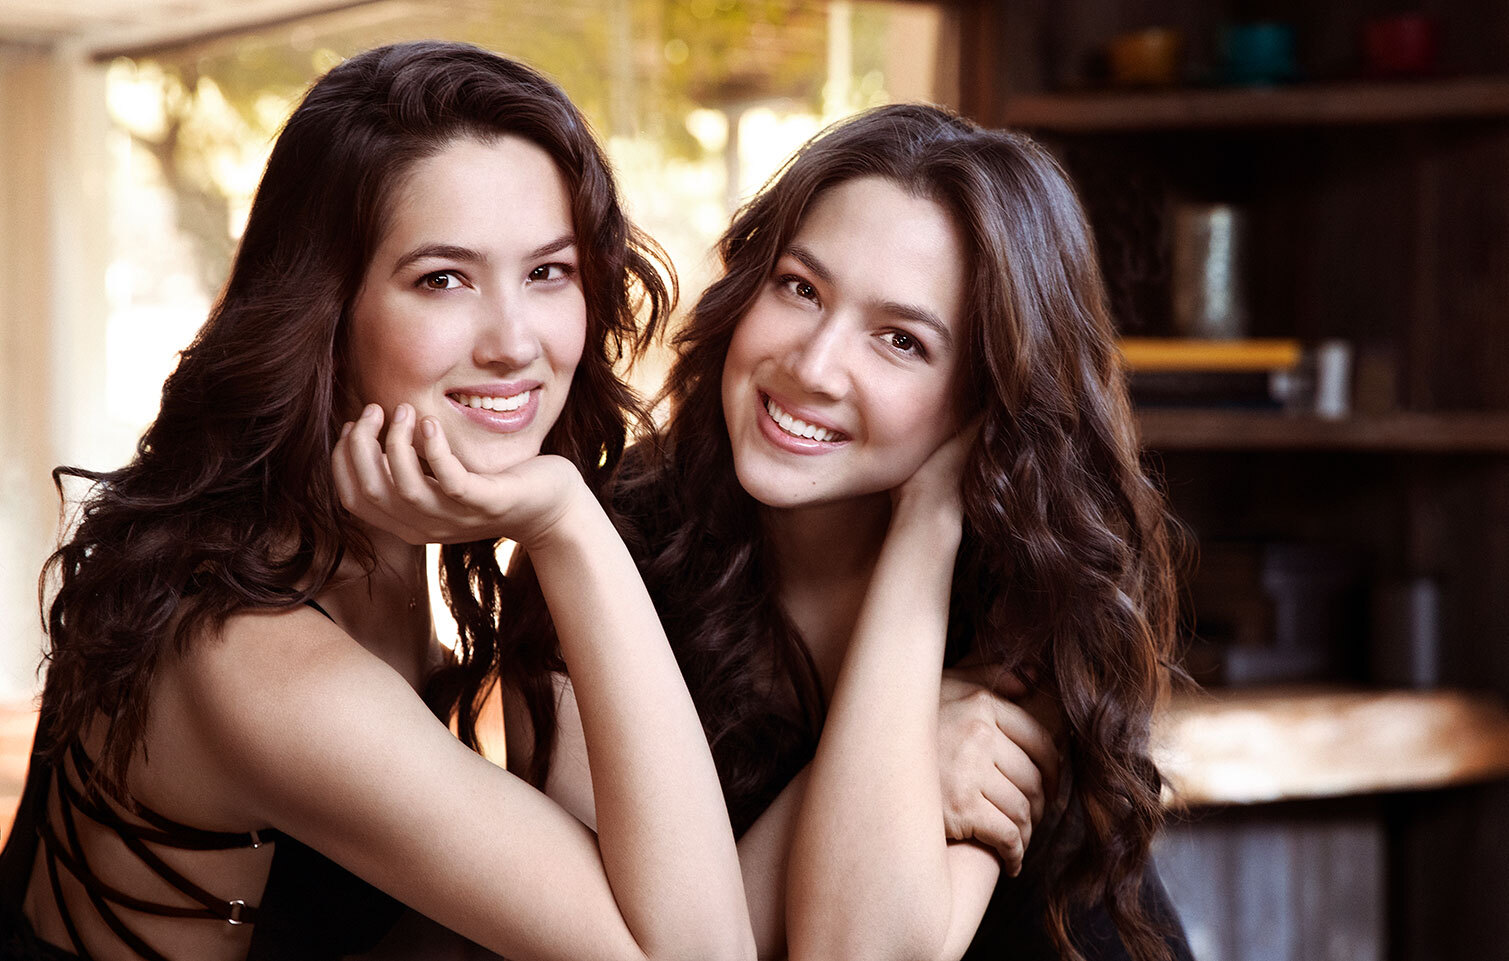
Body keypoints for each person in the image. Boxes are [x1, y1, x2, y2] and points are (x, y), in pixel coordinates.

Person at [0, 41, 754, 961]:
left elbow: (637, 881)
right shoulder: (255, 657)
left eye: (547, 272)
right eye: (443, 278)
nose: (515, 341)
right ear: (324, 307)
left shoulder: (351, 545)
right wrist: (565, 522)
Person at [516, 103, 1192, 961]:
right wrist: (917, 757)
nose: (811, 364)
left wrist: (926, 531)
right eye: (799, 288)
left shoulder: (1025, 595)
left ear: (986, 400)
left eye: (900, 340)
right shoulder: (608, 541)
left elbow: (855, 949)